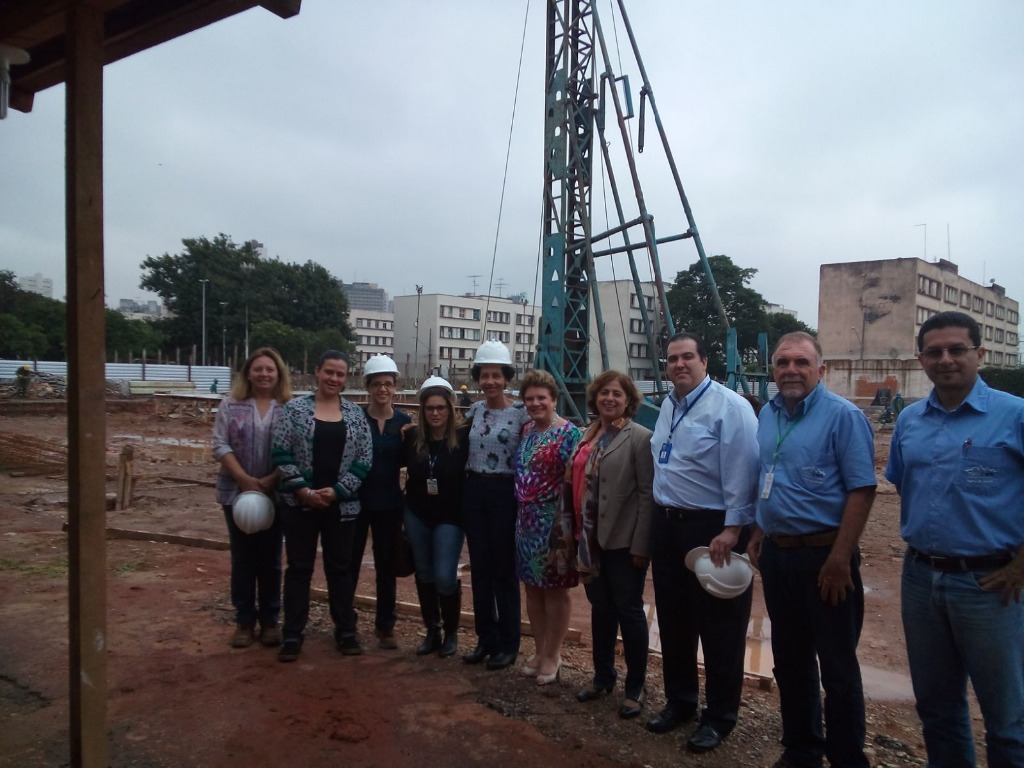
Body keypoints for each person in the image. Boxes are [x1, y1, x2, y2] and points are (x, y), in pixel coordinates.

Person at [885, 311, 1024, 768]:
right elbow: (908, 486)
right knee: (938, 708)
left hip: (989, 586)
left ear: (979, 354)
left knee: (1007, 719)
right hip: (922, 580)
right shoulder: (909, 421)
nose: (945, 360)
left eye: (957, 349)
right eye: (934, 352)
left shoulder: (1014, 415)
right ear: (921, 359)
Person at [747, 331, 876, 768]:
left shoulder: (843, 416)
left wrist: (841, 558)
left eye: (801, 363)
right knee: (790, 659)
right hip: (780, 556)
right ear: (773, 369)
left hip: (826, 557)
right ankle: (802, 749)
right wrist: (760, 531)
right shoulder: (768, 414)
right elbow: (769, 474)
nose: (790, 370)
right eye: (783, 362)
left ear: (821, 370)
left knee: (838, 668)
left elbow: (862, 489)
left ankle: (846, 758)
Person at [648, 332, 759, 754]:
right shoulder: (667, 406)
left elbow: (744, 473)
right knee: (674, 621)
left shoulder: (731, 408)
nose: (679, 365)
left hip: (714, 529)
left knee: (721, 627)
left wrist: (734, 530)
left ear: (704, 360)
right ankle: (680, 703)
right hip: (668, 525)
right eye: (672, 358)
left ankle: (720, 717)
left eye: (687, 357)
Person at [271, 350, 373, 662]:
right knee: (299, 569)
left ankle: (345, 632)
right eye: (329, 372)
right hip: (300, 506)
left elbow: (364, 459)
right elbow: (280, 452)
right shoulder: (294, 410)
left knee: (340, 570)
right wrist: (303, 490)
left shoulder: (355, 415)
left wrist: (338, 491)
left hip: (341, 507)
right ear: (317, 371)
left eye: (340, 374)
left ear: (346, 378)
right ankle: (292, 634)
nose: (334, 379)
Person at [569, 370, 654, 718]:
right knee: (601, 610)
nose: (609, 399)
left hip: (622, 541)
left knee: (629, 612)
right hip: (589, 541)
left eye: (617, 394)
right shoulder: (586, 434)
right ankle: (603, 676)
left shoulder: (639, 438)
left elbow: (648, 495)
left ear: (628, 400)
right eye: (604, 393)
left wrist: (641, 545)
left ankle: (636, 686)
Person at [212, 347, 292, 649]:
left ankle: (271, 621)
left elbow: (295, 449)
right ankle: (244, 621)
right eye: (258, 369)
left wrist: (271, 480)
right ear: (248, 372)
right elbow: (220, 445)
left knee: (271, 560)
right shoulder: (231, 406)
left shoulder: (288, 407)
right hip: (235, 493)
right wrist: (244, 479)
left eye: (270, 370)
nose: (264, 374)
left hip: (276, 493)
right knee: (243, 558)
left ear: (278, 374)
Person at [462, 340, 531, 670]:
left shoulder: (521, 412)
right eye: (484, 375)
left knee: (504, 570)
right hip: (474, 490)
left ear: (507, 377)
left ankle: (509, 642)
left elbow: (549, 428)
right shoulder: (474, 411)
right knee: (480, 568)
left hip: (505, 492)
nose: (490, 381)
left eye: (496, 375)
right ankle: (485, 638)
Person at [513, 369, 582, 685]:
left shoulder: (569, 434)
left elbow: (577, 482)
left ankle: (554, 654)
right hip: (525, 523)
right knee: (532, 589)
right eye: (530, 398)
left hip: (555, 524)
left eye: (542, 398)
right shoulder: (526, 430)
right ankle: (539, 650)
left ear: (554, 400)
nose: (535, 403)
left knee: (555, 591)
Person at [403, 376, 469, 658]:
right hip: (417, 512)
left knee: (444, 576)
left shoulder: (464, 438)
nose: (435, 413)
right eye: (430, 408)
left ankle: (452, 631)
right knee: (425, 573)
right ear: (422, 409)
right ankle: (433, 629)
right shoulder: (411, 437)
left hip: (450, 516)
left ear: (451, 408)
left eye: (441, 407)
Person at [351, 354, 411, 650]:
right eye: (377, 384)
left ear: (395, 387)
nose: (383, 389)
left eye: (388, 384)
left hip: (389, 503)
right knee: (349, 563)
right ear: (368, 387)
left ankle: (385, 626)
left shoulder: (404, 423)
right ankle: (346, 625)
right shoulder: (355, 418)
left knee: (386, 565)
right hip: (356, 501)